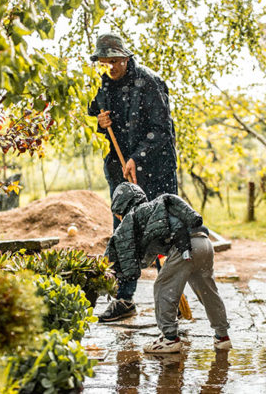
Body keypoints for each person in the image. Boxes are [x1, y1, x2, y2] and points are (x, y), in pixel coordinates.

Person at [88, 33, 178, 321]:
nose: (110, 67)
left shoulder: (149, 83)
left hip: (155, 169)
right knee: (124, 232)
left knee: (161, 230)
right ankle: (124, 300)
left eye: (115, 61)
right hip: (121, 170)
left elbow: (161, 131)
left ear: (126, 58)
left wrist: (136, 158)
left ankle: (171, 300)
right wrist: (102, 123)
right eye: (105, 62)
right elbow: (100, 113)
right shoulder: (105, 84)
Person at [102, 182, 232, 353]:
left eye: (118, 214)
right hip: (204, 242)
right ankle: (222, 336)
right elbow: (149, 253)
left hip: (184, 247)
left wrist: (111, 267)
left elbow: (122, 244)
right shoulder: (154, 210)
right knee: (207, 291)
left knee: (163, 287)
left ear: (122, 207)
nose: (119, 218)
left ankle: (169, 338)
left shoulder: (131, 217)